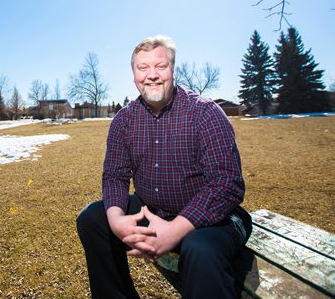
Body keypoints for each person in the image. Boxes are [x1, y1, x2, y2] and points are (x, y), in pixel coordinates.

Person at [76, 35, 252, 299]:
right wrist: (116, 222)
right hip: (154, 211)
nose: (152, 75)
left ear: (173, 69)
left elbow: (226, 184)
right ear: (134, 74)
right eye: (143, 68)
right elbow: (115, 175)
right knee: (91, 218)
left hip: (213, 219)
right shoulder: (124, 120)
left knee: (199, 249)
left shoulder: (205, 113)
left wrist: (176, 229)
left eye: (160, 66)